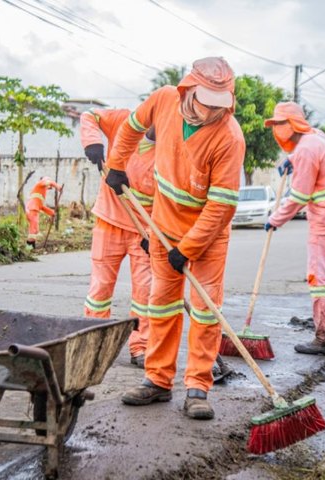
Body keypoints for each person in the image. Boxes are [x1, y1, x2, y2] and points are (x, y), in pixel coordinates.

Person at [105, 57, 245, 420]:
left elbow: (221, 206)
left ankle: (198, 388)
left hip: (208, 237)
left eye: (221, 105)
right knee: (161, 306)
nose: (214, 112)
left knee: (204, 311)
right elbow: (131, 128)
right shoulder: (165, 100)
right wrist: (116, 164)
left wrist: (189, 248)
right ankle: (157, 381)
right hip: (164, 226)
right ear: (188, 91)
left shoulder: (229, 137)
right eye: (206, 102)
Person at [263, 102, 325, 358]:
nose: (276, 130)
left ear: (292, 125)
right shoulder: (317, 137)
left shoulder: (306, 149)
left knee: (319, 279)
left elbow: (299, 197)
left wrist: (275, 219)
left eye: (279, 124)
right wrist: (290, 161)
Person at [80, 108, 156, 368]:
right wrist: (93, 142)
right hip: (108, 221)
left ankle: (141, 346)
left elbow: (171, 199)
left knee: (144, 294)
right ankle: (96, 343)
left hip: (143, 230)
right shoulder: (124, 119)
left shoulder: (172, 148)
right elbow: (89, 115)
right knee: (100, 289)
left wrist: (156, 234)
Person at [24, 176, 62, 248]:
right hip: (32, 209)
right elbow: (50, 182)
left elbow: (41, 207)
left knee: (35, 230)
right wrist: (58, 187)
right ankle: (29, 248)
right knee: (33, 228)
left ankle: (31, 248)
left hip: (34, 209)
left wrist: (51, 212)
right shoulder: (40, 184)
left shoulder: (40, 192)